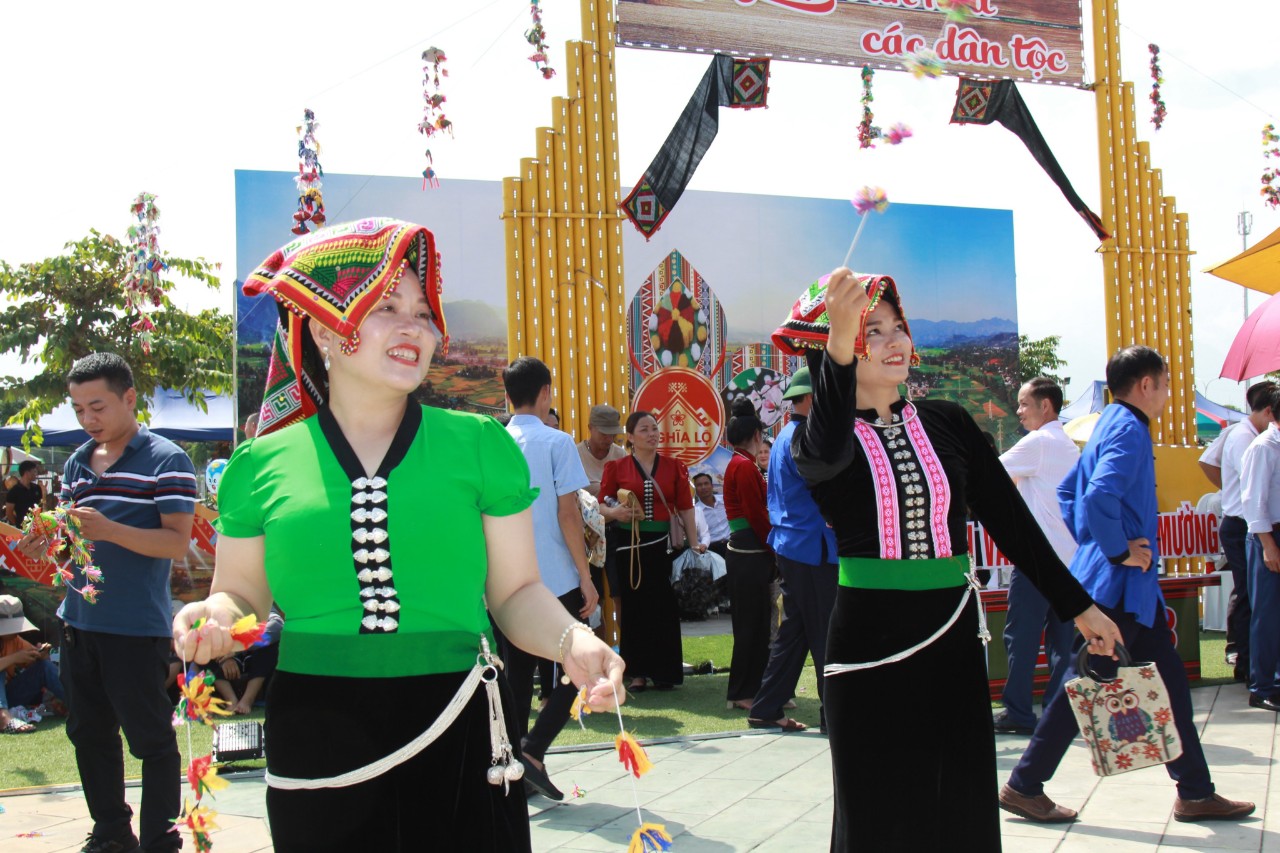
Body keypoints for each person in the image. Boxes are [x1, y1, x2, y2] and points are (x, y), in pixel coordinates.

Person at [168, 219, 624, 853]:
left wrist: (572, 639)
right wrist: (213, 618)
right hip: (317, 729)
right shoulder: (259, 466)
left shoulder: (480, 446)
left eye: (422, 312)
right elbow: (242, 595)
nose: (415, 328)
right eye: (386, 307)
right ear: (325, 327)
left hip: (458, 721)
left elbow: (517, 592)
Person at [772, 268, 1121, 852]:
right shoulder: (812, 441)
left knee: (959, 799)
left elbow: (1012, 522)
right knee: (875, 805)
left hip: (951, 632)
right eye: (872, 330)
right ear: (838, 346)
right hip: (868, 640)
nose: (894, 342)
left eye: (897, 328)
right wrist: (835, 338)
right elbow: (829, 446)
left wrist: (1078, 605)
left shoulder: (949, 423)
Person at [1004, 345, 1254, 825]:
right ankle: (1024, 785)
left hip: (1124, 586)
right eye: (1164, 384)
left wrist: (1097, 548)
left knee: (1171, 683)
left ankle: (1197, 791)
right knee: (1088, 681)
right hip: (1119, 585)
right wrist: (1116, 550)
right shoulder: (1129, 430)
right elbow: (1096, 495)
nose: (1165, 394)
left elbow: (1068, 492)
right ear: (1146, 385)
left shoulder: (1108, 425)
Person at [16, 352, 196, 853]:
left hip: (135, 627)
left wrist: (111, 529)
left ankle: (161, 837)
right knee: (88, 735)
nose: (87, 419)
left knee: (151, 740)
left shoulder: (167, 459)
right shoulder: (76, 461)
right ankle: (112, 832)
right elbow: (78, 539)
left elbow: (176, 543)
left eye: (97, 406)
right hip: (77, 621)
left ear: (130, 398)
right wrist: (49, 537)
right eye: (78, 409)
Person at [501, 356, 597, 801]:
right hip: (555, 578)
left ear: (506, 395)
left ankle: (516, 767)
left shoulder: (496, 443)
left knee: (516, 679)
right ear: (545, 394)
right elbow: (568, 513)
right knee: (572, 673)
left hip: (506, 582)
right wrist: (586, 574)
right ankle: (533, 751)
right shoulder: (557, 442)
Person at [747, 366, 834, 732]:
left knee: (796, 630)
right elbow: (826, 492)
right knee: (827, 633)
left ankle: (766, 708)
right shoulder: (807, 437)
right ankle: (836, 716)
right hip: (811, 547)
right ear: (814, 398)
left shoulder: (786, 435)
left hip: (795, 545)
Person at [992, 378, 1080, 735]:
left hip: (1038, 560)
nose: (1019, 411)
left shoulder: (1039, 442)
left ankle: (1019, 712)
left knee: (1021, 637)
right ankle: (1058, 713)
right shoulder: (1067, 444)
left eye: (1024, 404)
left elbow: (991, 473)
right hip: (1069, 561)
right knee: (1062, 642)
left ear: (1046, 406)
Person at [599, 411, 696, 691]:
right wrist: (615, 512)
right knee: (632, 608)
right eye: (644, 429)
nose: (652, 434)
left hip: (661, 547)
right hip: (627, 547)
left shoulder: (673, 466)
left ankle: (665, 671)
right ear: (630, 437)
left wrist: (694, 541)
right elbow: (600, 507)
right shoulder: (616, 468)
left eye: (655, 428)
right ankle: (637, 672)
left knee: (663, 607)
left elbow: (686, 507)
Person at [1211, 382, 1277, 683]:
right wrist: (1267, 543)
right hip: (1248, 527)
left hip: (1251, 525)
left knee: (1257, 601)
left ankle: (1257, 670)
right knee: (1254, 601)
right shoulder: (1254, 442)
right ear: (1269, 411)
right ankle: (1252, 671)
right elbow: (1253, 497)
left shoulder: (1258, 439)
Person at [722, 398, 775, 712]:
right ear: (756, 435)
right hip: (749, 551)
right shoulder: (744, 467)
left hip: (746, 551)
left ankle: (749, 688)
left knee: (753, 625)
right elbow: (757, 516)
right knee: (751, 627)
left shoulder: (739, 464)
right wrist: (775, 548)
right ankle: (743, 691)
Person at [1242, 384, 1280, 711]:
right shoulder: (1263, 446)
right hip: (1269, 536)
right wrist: (1268, 545)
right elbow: (1254, 504)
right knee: (1267, 614)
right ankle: (1263, 686)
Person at [0, 594, 64, 733]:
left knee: (43, 667)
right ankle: (3, 718)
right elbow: (16, 658)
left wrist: (40, 656)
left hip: (9, 696)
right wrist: (14, 658)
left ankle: (82, 704)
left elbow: (32, 660)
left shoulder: (14, 640)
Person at [207, 605, 283, 715]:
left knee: (271, 645)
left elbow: (277, 625)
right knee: (203, 644)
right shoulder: (218, 604)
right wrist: (225, 657)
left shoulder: (256, 600)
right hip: (224, 660)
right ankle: (230, 701)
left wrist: (238, 647)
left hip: (253, 657)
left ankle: (247, 700)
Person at [692, 473, 731, 559]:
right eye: (699, 485)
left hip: (732, 544)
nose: (703, 487)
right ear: (695, 490)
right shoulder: (695, 511)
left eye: (706, 483)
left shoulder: (725, 500)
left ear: (712, 486)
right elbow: (694, 536)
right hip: (711, 550)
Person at [4, 460, 44, 526]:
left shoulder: (37, 488)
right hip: (22, 527)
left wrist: (44, 493)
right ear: (27, 473)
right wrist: (18, 525)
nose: (36, 474)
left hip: (37, 526)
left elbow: (42, 506)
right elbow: (9, 512)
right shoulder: (14, 491)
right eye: (34, 471)